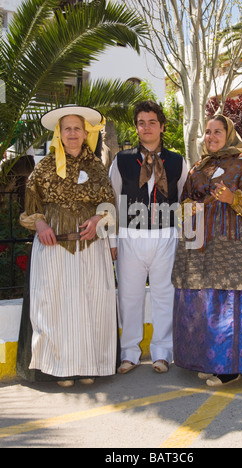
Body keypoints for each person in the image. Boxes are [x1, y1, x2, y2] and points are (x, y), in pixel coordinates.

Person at [172, 115, 242, 387]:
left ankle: (228, 367)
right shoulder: (199, 166)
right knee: (204, 302)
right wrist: (190, 208)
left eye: (217, 131)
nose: (211, 136)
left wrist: (232, 198)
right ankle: (210, 360)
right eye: (208, 132)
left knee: (226, 302)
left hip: (232, 240)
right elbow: (184, 201)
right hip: (200, 243)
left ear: (229, 134)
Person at [18, 105, 118, 388]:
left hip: (90, 247)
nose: (72, 133)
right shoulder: (45, 167)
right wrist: (40, 224)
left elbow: (109, 203)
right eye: (67, 129)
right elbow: (31, 206)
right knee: (56, 307)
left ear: (86, 133)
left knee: (91, 305)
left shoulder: (97, 166)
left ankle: (89, 365)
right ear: (59, 134)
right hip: (53, 249)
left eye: (77, 128)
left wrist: (99, 217)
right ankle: (60, 367)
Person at [109, 100, 188, 374]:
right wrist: (111, 241)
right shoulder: (122, 160)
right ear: (136, 127)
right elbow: (111, 201)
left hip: (166, 234)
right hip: (130, 235)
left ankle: (162, 353)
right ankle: (129, 353)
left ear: (162, 126)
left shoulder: (178, 161)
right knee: (128, 297)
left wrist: (189, 239)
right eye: (141, 122)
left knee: (164, 296)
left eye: (152, 122)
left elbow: (186, 200)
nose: (146, 127)